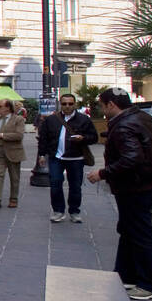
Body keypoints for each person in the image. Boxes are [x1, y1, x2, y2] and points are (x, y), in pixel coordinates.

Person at [87, 88, 152, 300]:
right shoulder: (143, 118)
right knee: (129, 230)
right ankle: (125, 276)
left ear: (111, 104)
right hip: (147, 182)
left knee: (140, 232)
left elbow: (132, 158)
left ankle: (150, 285)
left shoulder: (124, 126)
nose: (103, 111)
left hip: (135, 186)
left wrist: (102, 173)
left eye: (103, 106)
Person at [36, 93, 99, 223]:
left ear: (75, 104)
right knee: (55, 184)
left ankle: (74, 211)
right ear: (60, 104)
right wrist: (42, 155)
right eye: (64, 104)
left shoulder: (83, 120)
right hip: (56, 158)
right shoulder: (51, 120)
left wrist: (83, 138)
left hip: (76, 158)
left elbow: (94, 137)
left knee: (75, 186)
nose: (67, 106)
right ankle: (58, 210)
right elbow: (44, 139)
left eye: (70, 104)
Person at [0, 99, 26, 208]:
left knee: (14, 176)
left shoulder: (18, 119)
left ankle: (13, 199)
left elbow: (19, 135)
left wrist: (3, 135)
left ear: (8, 108)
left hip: (13, 151)